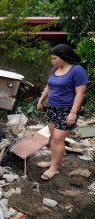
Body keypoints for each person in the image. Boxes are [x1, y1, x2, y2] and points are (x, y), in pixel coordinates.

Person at [37, 44, 88, 180]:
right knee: (53, 137)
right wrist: (41, 100)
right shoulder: (55, 69)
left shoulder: (77, 71)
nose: (52, 61)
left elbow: (80, 93)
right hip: (52, 108)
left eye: (54, 58)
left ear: (64, 57)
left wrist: (72, 113)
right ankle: (53, 162)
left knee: (58, 139)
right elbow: (49, 86)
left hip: (67, 110)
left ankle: (54, 168)